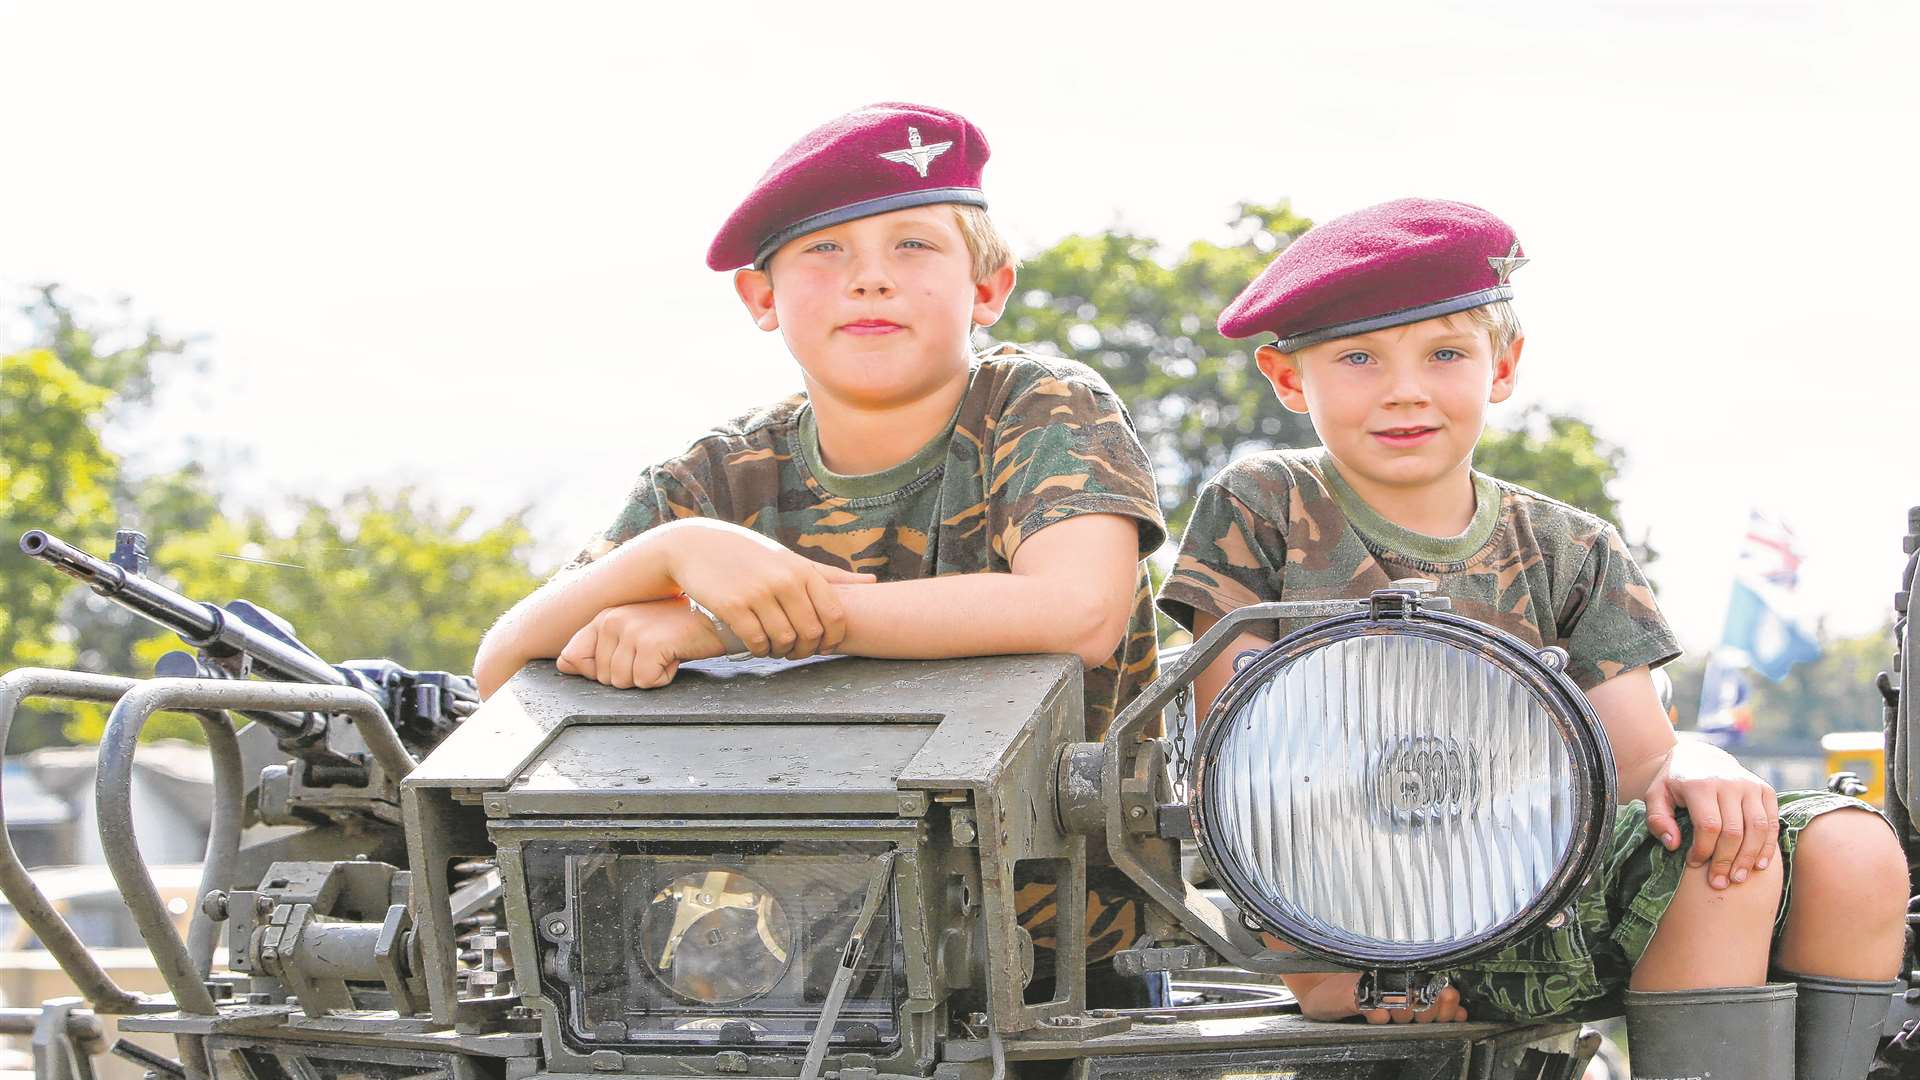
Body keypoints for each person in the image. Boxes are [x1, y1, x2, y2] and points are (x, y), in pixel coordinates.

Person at [1156, 197, 1907, 1079]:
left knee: (1848, 849)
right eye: (1357, 357)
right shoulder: (1266, 507)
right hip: (1357, 912)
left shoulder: (1567, 546)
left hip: (1547, 890)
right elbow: (1244, 773)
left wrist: (1698, 759)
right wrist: (1325, 965)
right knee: (1729, 864)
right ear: (1288, 379)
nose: (1405, 389)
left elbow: (1636, 765)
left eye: (1445, 353)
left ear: (1502, 364)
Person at [471, 102, 1167, 1002]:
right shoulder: (717, 478)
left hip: (1055, 951)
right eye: (825, 252)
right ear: (763, 298)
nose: (869, 281)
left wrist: (733, 626)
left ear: (987, 290)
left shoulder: (1038, 406)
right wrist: (678, 550)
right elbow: (503, 671)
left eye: (913, 247)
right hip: (775, 957)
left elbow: (1077, 612)